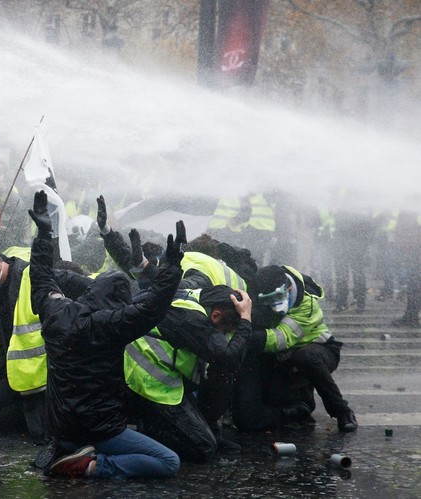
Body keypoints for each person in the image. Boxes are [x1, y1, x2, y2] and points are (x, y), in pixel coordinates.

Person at [29, 190, 187, 480]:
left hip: (62, 425)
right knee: (169, 461)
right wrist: (173, 268)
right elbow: (151, 309)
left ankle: (69, 450)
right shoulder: (108, 326)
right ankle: (91, 465)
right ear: (118, 303)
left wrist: (43, 233)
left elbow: (40, 278)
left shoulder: (56, 313)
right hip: (100, 429)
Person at [0, 246, 91, 443]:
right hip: (12, 367)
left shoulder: (31, 277)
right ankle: (42, 413)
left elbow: (87, 286)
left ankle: (49, 415)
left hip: (42, 370)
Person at [125, 285, 252, 462]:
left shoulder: (193, 298)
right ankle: (142, 433)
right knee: (203, 447)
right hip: (148, 383)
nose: (225, 336)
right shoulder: (192, 319)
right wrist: (245, 321)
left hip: (164, 377)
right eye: (226, 331)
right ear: (215, 316)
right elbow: (229, 358)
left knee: (221, 372)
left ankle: (202, 428)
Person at [233, 265, 358, 433]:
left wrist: (242, 335)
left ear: (288, 287)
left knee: (306, 357)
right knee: (262, 402)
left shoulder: (307, 302)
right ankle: (300, 404)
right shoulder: (258, 293)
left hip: (319, 350)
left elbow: (281, 339)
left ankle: (342, 411)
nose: (275, 304)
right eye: (269, 299)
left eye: (278, 296)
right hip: (283, 359)